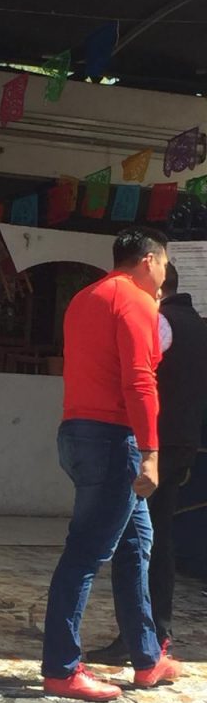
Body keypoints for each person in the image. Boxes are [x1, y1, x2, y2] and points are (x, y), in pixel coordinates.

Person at [41, 226, 182, 701]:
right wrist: (150, 452)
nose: (165, 274)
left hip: (77, 431)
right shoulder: (136, 301)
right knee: (85, 554)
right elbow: (140, 382)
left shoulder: (86, 298)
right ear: (149, 260)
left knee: (136, 543)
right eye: (164, 263)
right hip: (113, 439)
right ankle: (61, 668)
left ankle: (147, 658)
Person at [87, 262, 207, 664]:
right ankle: (156, 631)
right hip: (184, 442)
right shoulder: (197, 324)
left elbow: (140, 379)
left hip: (153, 446)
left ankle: (141, 635)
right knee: (159, 537)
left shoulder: (160, 322)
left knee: (136, 542)